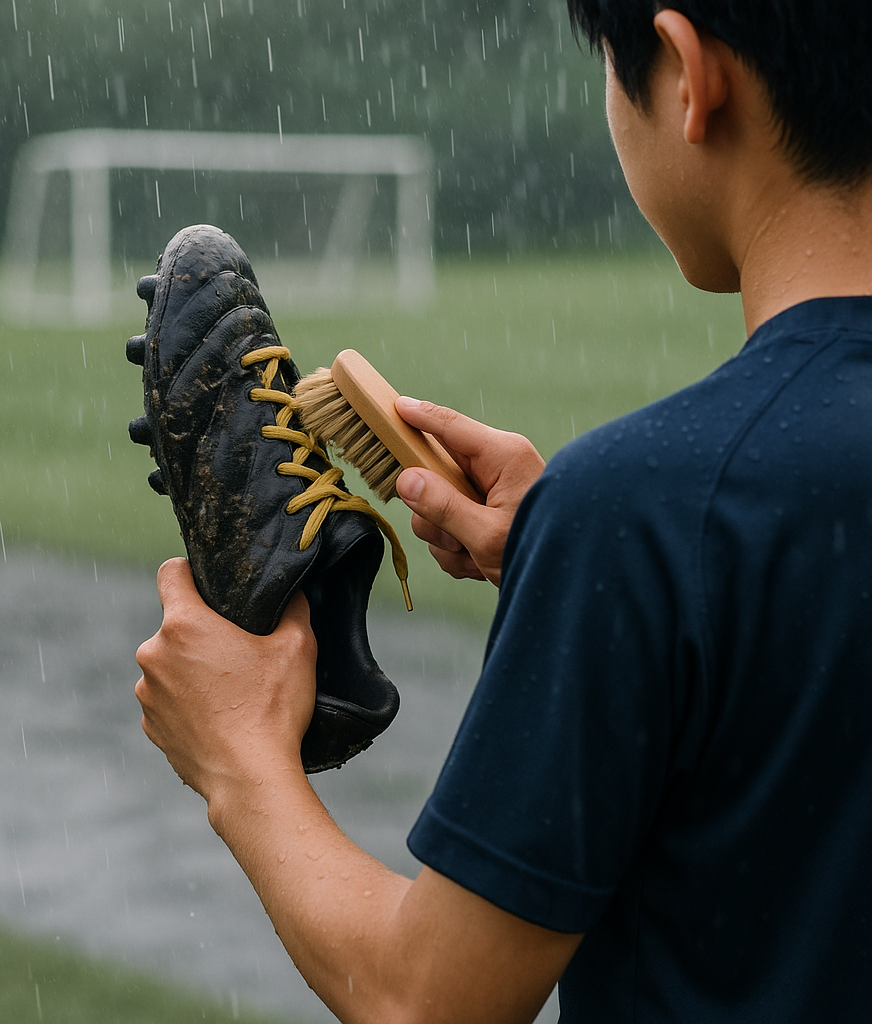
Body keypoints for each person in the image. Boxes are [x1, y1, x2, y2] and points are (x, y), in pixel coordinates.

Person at [134, 1, 872, 1020]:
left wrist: (236, 758)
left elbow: (427, 998)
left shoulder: (650, 505)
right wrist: (623, 578)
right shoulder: (654, 519)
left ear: (690, 77)